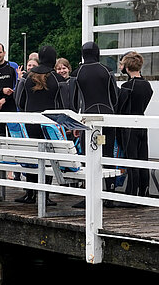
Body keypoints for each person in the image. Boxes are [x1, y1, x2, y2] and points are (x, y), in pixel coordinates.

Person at [72, 41, 119, 208]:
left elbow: (74, 101)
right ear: (97, 53)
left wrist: (77, 124)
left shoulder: (78, 73)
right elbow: (115, 97)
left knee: (89, 156)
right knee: (107, 154)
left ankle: (90, 195)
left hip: (88, 121)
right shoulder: (107, 71)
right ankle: (110, 194)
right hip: (107, 119)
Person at [16, 45, 61, 205]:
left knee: (32, 155)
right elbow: (63, 103)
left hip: (30, 121)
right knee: (47, 158)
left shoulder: (28, 77)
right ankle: (45, 194)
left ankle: (30, 194)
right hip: (49, 123)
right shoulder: (56, 78)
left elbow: (19, 100)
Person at [116, 51, 153, 198]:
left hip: (129, 126)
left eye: (122, 64)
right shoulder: (147, 85)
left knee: (131, 161)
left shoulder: (127, 86)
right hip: (142, 124)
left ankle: (131, 195)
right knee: (143, 160)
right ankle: (144, 192)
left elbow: (120, 109)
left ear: (127, 66)